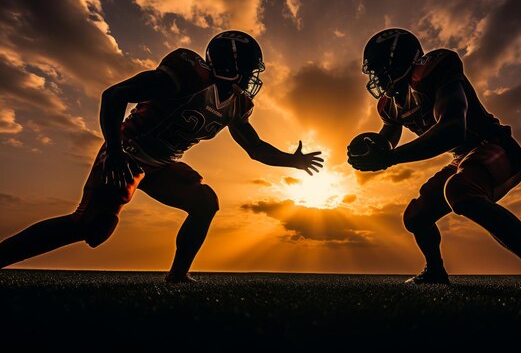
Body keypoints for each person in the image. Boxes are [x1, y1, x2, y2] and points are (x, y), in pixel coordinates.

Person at [0, 30, 324, 282]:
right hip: (127, 153)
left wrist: (292, 160)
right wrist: (113, 150)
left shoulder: (238, 104)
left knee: (204, 202)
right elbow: (114, 95)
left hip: (161, 164)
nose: (253, 77)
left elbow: (254, 148)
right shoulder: (185, 77)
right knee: (91, 227)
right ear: (235, 68)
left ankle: (177, 276)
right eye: (250, 69)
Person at [348, 28, 521, 296]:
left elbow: (452, 128)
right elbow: (389, 136)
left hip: (496, 146)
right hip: (463, 158)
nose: (376, 76)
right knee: (416, 216)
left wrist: (389, 159)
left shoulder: (433, 70)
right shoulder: (389, 104)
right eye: (373, 70)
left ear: (399, 59)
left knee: (459, 190)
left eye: (379, 67)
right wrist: (372, 149)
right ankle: (435, 272)